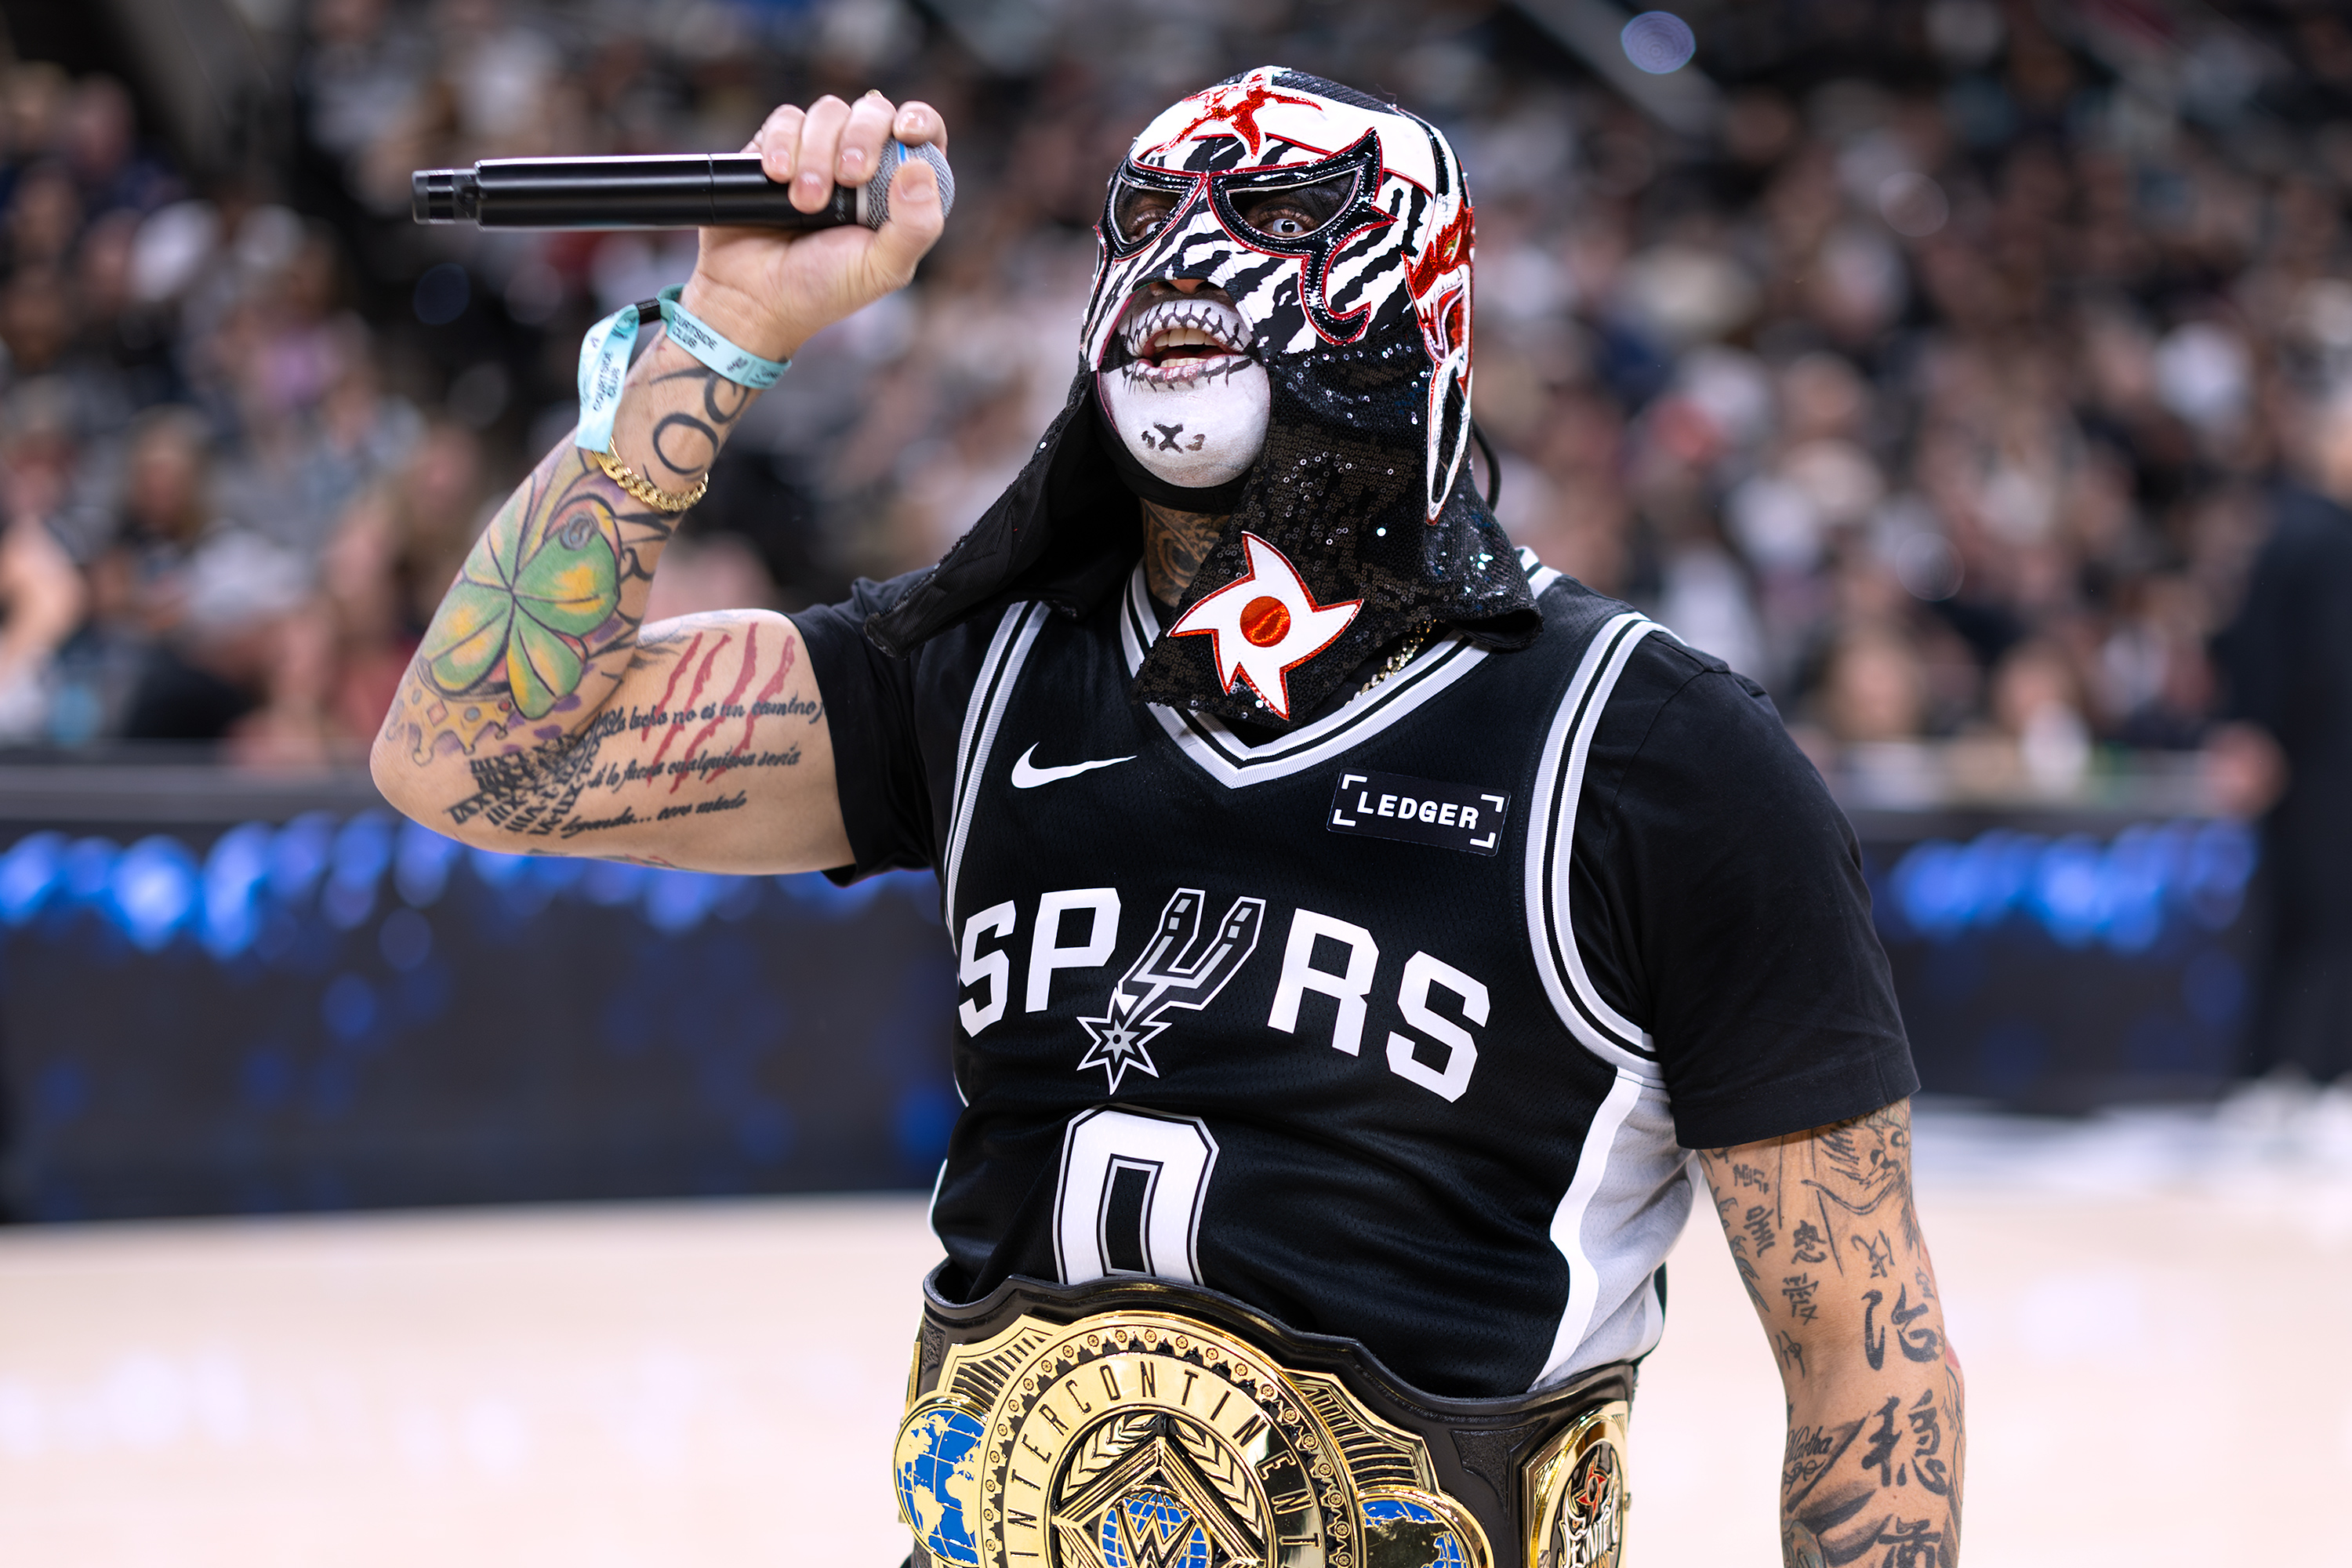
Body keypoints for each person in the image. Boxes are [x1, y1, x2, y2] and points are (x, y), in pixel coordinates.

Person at [373, 71, 1963, 1568]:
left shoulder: (1654, 752)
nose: (1192, 249)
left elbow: (1861, 1363)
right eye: (1147, 212)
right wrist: (725, 328)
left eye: (1270, 209)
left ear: (1420, 289)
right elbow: (470, 750)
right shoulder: (975, 670)